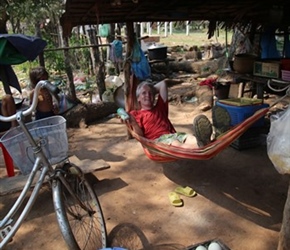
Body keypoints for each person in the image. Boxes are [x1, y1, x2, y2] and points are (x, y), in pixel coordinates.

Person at [126, 79, 219, 149]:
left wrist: (150, 89)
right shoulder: (135, 114)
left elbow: (162, 84)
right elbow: (140, 137)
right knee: (176, 144)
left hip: (174, 135)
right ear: (138, 98)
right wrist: (133, 123)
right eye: (144, 93)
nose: (148, 95)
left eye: (150, 93)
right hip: (158, 141)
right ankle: (203, 148)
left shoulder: (160, 106)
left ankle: (204, 145)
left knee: (190, 138)